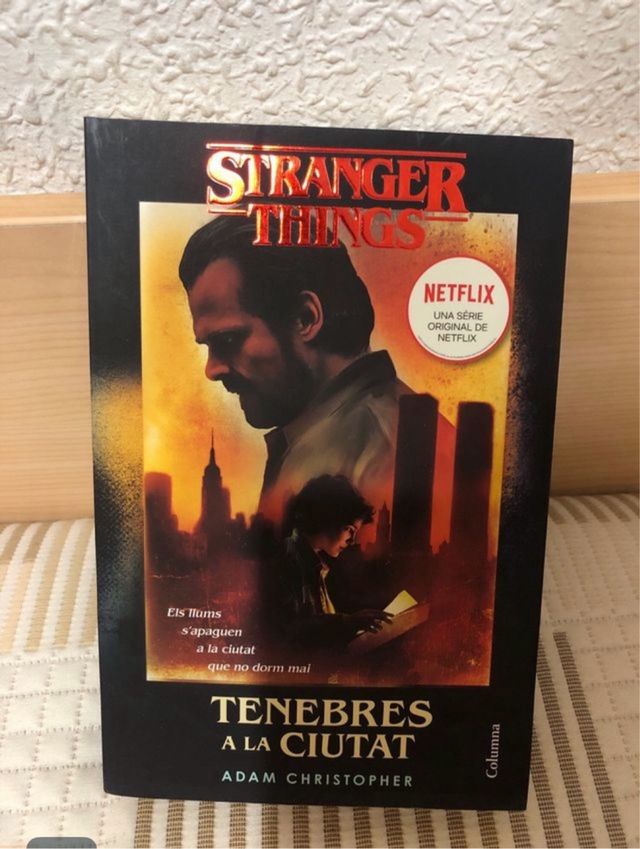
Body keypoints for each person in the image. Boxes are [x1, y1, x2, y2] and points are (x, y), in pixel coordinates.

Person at [179, 214, 451, 528]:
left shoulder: (384, 457)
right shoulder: (340, 439)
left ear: (305, 319)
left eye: (227, 340)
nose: (211, 370)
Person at [278, 475, 392, 647]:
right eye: (349, 529)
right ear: (327, 519)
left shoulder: (313, 564)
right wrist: (346, 623)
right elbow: (287, 632)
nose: (352, 540)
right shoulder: (287, 560)